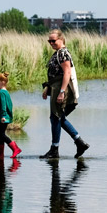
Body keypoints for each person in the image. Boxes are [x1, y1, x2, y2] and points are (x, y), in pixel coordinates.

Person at [40, 30, 89, 159]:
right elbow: (55, 75)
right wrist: (48, 89)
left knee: (56, 118)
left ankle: (55, 149)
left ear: (61, 39)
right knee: (58, 118)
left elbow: (67, 73)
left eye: (53, 41)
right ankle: (79, 142)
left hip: (61, 89)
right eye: (49, 41)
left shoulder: (63, 53)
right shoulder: (57, 53)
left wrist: (61, 92)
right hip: (55, 87)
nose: (51, 43)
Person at [0, 72, 22, 158]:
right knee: (0, 134)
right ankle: (0, 153)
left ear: (3, 82)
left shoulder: (1, 93)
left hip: (3, 117)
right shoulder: (6, 92)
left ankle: (15, 148)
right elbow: (10, 104)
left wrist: (3, 115)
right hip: (3, 117)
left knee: (1, 134)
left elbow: (4, 104)